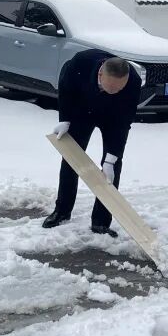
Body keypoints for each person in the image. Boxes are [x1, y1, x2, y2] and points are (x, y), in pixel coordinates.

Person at [42, 49, 142, 237]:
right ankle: (61, 212)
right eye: (109, 88)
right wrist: (64, 119)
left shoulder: (133, 82)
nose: (113, 92)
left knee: (112, 169)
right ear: (100, 73)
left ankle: (101, 222)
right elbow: (65, 89)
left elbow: (123, 123)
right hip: (82, 112)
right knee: (71, 159)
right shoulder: (81, 62)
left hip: (113, 119)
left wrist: (111, 159)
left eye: (118, 90)